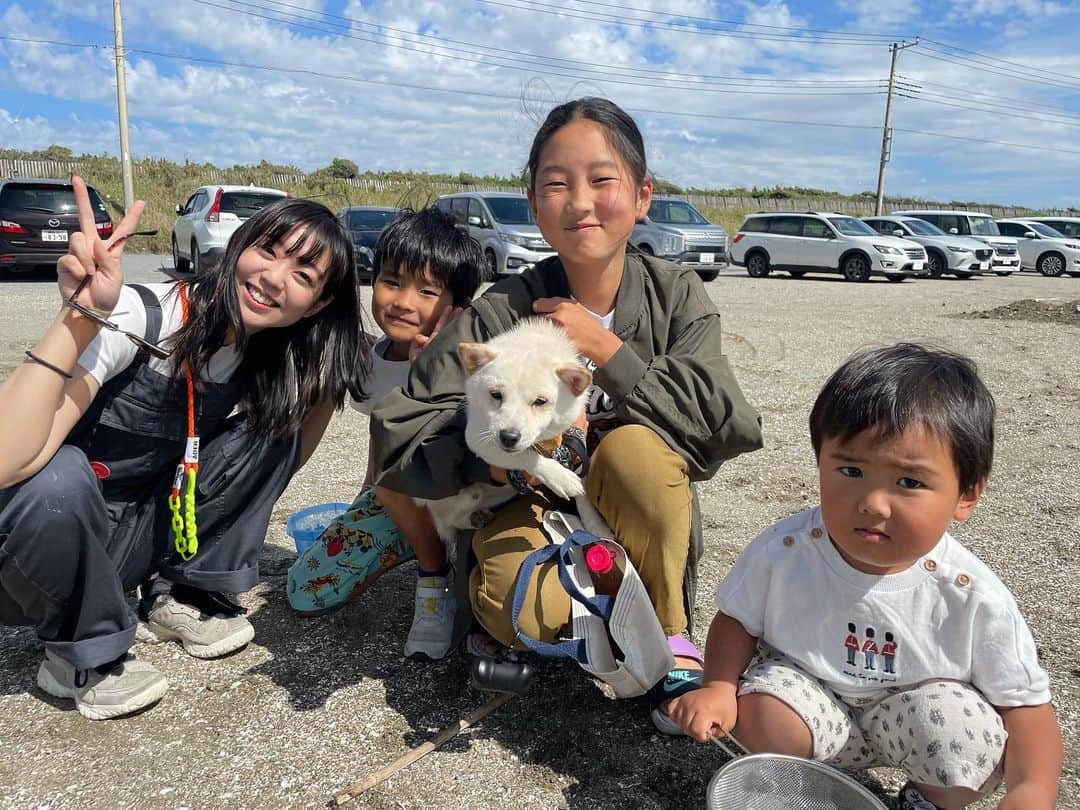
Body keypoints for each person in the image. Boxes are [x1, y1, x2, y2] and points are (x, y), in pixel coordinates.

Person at [369, 98, 763, 721]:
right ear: (533, 205)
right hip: (525, 499)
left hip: (631, 498)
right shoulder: (501, 310)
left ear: (642, 196)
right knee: (518, 606)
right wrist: (502, 463)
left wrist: (607, 349)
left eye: (602, 180)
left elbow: (723, 422)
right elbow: (399, 430)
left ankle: (669, 627)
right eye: (556, 183)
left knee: (636, 453)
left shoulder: (675, 292)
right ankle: (580, 610)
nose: (580, 201)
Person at [0, 178, 368, 720]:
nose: (272, 278)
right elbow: (11, 463)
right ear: (240, 245)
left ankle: (181, 592)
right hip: (30, 563)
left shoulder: (261, 352)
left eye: (303, 275)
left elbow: (301, 430)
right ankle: (79, 652)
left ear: (319, 304)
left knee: (275, 427)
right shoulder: (142, 314)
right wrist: (80, 316)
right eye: (268, 250)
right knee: (54, 477)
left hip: (121, 543)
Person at [667, 344, 1062, 810]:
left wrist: (1033, 788)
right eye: (850, 470)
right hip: (811, 697)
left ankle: (926, 799)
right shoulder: (789, 549)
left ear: (966, 494)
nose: (873, 503)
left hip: (914, 713)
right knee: (761, 708)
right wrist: (717, 686)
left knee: (969, 739)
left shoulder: (969, 593)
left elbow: (1026, 706)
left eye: (909, 482)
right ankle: (809, 782)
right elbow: (738, 620)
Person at [287, 206, 484, 662]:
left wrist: (435, 371)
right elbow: (382, 437)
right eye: (392, 281)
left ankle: (436, 579)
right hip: (400, 497)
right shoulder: (372, 360)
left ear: (458, 306)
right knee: (304, 589)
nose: (402, 301)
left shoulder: (476, 362)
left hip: (469, 502)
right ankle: (417, 546)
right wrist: (365, 497)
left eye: (427, 291)